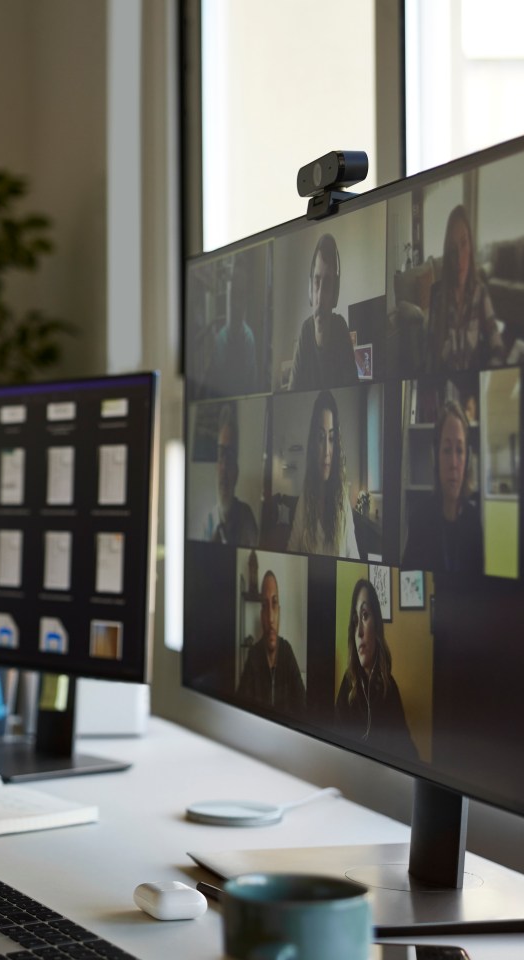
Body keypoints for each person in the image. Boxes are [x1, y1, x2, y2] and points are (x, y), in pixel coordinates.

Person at [334, 579, 417, 759]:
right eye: (356, 621)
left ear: (377, 624)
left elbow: (407, 753)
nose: (359, 632)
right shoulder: (348, 685)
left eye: (365, 615)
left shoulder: (390, 689)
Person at [403, 399, 483, 573]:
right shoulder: (419, 520)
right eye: (447, 450)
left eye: (460, 451)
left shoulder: (476, 522)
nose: (453, 463)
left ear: (467, 459)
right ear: (436, 456)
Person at [428, 204, 502, 372]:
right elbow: (431, 356)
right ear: (447, 253)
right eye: (453, 249)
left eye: (463, 244)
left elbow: (497, 345)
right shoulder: (438, 296)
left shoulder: (480, 292)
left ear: (470, 247)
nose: (459, 257)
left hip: (472, 390)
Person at [287, 390, 360, 558]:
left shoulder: (343, 506)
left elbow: (354, 558)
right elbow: (290, 553)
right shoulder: (303, 504)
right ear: (313, 444)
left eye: (332, 439)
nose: (326, 451)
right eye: (321, 438)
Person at [287, 233, 358, 391]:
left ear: (335, 293)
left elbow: (353, 390)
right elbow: (291, 392)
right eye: (317, 282)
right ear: (310, 288)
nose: (319, 296)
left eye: (326, 285)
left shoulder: (340, 329)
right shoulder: (306, 331)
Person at [237, 570, 305, 713]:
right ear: (261, 615)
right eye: (265, 606)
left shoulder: (287, 651)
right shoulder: (253, 655)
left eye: (274, 604)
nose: (271, 618)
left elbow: (302, 705)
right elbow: (240, 707)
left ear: (279, 612)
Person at [208, 248, 261, 398]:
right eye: (234, 295)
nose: (237, 304)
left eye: (241, 295)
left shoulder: (250, 339)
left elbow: (253, 389)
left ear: (246, 300)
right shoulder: (219, 341)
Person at [203, 403, 259, 546]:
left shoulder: (246, 516)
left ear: (237, 472)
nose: (224, 467)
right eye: (221, 455)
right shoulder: (208, 520)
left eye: (230, 456)